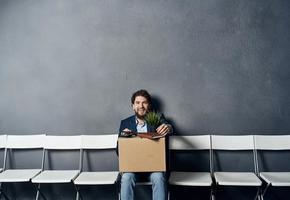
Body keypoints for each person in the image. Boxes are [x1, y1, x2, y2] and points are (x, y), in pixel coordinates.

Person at [118, 89, 172, 200]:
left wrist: (168, 127)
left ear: (149, 105)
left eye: (144, 102)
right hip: (132, 169)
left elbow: (167, 126)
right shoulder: (125, 123)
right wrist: (124, 137)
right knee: (126, 178)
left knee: (159, 177)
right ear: (133, 106)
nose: (141, 106)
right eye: (137, 103)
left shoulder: (157, 118)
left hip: (154, 168)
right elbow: (118, 150)